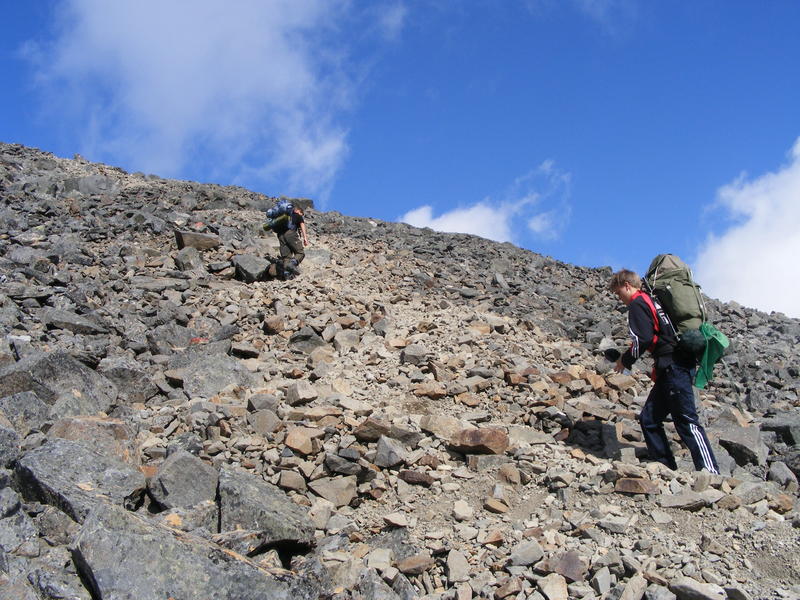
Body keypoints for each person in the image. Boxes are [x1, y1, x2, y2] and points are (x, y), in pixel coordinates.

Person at [608, 269, 719, 474]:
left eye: (618, 293)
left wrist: (625, 360)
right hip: (670, 368)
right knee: (649, 419)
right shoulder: (651, 300)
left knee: (686, 421)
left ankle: (711, 473)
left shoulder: (638, 303)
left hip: (674, 366)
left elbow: (643, 339)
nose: (619, 298)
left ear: (627, 286)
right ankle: (665, 468)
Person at [271, 205, 309, 279]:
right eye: (302, 214)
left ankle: (287, 275)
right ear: (298, 211)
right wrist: (305, 238)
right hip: (290, 233)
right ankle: (292, 263)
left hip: (280, 235)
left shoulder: (284, 217)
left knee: (286, 257)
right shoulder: (297, 215)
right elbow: (302, 225)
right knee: (300, 253)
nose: (302, 216)